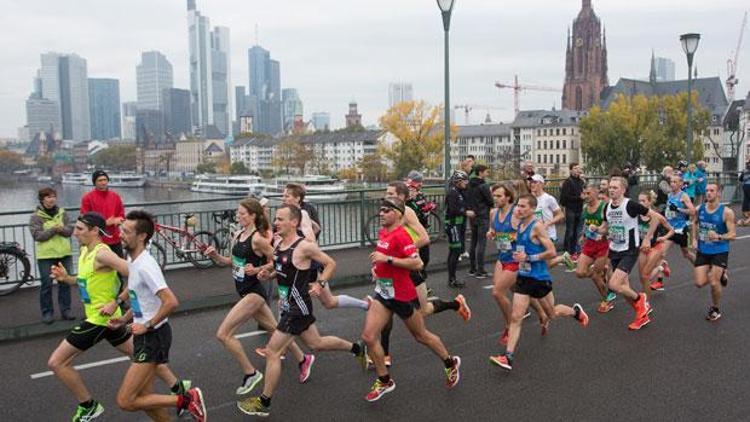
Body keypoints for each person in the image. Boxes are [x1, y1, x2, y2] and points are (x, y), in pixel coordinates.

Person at [47, 212, 194, 421]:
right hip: (122, 322)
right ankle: (179, 389)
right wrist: (68, 279)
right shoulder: (88, 253)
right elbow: (112, 282)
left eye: (80, 229)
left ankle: (89, 405)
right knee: (144, 390)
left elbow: (144, 281)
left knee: (57, 362)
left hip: (102, 320)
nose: (75, 232)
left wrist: (120, 305)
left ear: (94, 231)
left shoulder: (113, 256)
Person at [237, 205, 368, 417]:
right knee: (317, 343)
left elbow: (330, 263)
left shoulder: (305, 247)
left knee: (272, 352)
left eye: (280, 219)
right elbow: (280, 267)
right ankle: (357, 349)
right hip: (289, 304)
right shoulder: (278, 242)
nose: (276, 222)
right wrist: (266, 273)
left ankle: (264, 402)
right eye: (275, 219)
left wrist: (320, 283)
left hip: (297, 307)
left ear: (294, 222)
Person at [205, 198, 313, 395]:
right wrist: (214, 256)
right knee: (275, 328)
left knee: (223, 334)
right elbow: (231, 261)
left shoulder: (258, 239)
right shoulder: (238, 234)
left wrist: (258, 269)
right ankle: (303, 359)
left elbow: (279, 258)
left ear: (253, 215)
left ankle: (250, 373)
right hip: (244, 291)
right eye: (238, 213)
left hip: (254, 292)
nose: (238, 216)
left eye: (243, 213)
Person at [108, 210, 206, 422]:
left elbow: (171, 301)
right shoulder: (133, 259)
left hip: (153, 336)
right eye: (121, 229)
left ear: (142, 236)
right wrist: (124, 319)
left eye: (126, 231)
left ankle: (187, 398)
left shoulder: (146, 266)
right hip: (145, 335)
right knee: (145, 397)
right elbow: (139, 298)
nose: (120, 234)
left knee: (125, 400)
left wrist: (147, 325)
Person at [360, 198, 461, 402]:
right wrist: (377, 268)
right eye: (380, 210)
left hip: (402, 296)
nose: (381, 213)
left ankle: (450, 363)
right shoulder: (384, 232)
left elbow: (417, 263)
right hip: (384, 293)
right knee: (369, 337)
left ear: (398, 214)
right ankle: (385, 380)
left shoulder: (402, 235)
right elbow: (384, 257)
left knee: (421, 336)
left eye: (386, 210)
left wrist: (387, 260)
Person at [374, 182, 470, 368]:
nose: (387, 196)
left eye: (391, 193)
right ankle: (384, 354)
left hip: (410, 268)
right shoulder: (387, 215)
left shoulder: (407, 212)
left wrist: (402, 252)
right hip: (392, 272)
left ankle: (455, 304)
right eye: (386, 192)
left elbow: (424, 238)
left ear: (402, 196)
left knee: (422, 311)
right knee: (386, 309)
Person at [489, 194, 589, 371]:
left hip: (539, 278)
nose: (518, 209)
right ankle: (508, 356)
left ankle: (574, 312)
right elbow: (515, 244)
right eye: (518, 206)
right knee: (516, 317)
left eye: (523, 207)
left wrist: (529, 257)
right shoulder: (519, 226)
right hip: (523, 276)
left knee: (552, 313)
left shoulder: (537, 227)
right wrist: (499, 238)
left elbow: (550, 252)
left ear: (533, 209)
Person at [282, 183, 368, 311]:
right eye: (283, 195)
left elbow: (311, 239)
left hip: (308, 264)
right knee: (287, 299)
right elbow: (316, 228)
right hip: (292, 263)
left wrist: (302, 243)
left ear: (297, 198)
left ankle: (365, 305)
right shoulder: (285, 214)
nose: (283, 198)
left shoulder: (303, 213)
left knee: (329, 302)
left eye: (287, 196)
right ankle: (286, 327)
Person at [593, 177, 660, 331]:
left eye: (615, 187)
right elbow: (605, 227)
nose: (611, 190)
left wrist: (647, 239)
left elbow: (655, 218)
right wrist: (597, 230)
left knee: (614, 284)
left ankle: (641, 299)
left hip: (629, 251)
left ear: (623, 190)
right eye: (610, 187)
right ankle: (641, 315)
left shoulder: (630, 205)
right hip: (615, 250)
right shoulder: (606, 207)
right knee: (623, 289)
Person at [29, 187, 75, 324]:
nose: (52, 199)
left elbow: (69, 230)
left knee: (65, 283)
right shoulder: (36, 217)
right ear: (42, 200)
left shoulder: (62, 213)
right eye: (48, 197)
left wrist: (61, 229)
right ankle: (47, 312)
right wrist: (53, 230)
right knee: (46, 284)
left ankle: (66, 310)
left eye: (53, 196)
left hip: (64, 253)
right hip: (46, 256)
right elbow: (37, 236)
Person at [691, 183, 736, 321]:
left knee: (713, 281)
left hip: (720, 249)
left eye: (712, 190)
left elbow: (733, 234)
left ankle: (715, 309)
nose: (708, 193)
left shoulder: (726, 212)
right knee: (699, 283)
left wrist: (719, 236)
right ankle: (721, 273)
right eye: (707, 190)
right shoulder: (700, 209)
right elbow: (694, 222)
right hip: (703, 249)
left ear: (718, 193)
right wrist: (693, 239)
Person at [487, 183, 520, 345]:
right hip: (502, 257)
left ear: (508, 198)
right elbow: (493, 230)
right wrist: (491, 233)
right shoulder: (493, 213)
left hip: (515, 258)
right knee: (514, 289)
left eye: (499, 196)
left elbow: (528, 232)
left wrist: (512, 238)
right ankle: (541, 313)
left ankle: (510, 326)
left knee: (497, 292)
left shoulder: (515, 214)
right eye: (494, 195)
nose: (496, 199)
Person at [574, 185, 613, 313]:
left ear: (596, 193)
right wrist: (583, 235)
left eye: (588, 193)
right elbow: (586, 223)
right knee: (580, 273)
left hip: (603, 245)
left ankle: (605, 300)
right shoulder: (585, 208)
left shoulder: (604, 207)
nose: (585, 196)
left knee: (597, 275)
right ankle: (598, 274)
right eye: (584, 193)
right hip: (589, 244)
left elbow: (607, 225)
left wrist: (599, 229)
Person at [528, 174, 572, 270]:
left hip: (548, 234)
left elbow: (560, 215)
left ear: (542, 184)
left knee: (544, 265)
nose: (532, 184)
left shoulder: (548, 198)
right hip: (534, 234)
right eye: (531, 182)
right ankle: (562, 258)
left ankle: (561, 258)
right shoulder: (529, 199)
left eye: (535, 182)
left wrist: (548, 223)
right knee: (538, 264)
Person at [80, 170, 125, 258]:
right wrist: (106, 223)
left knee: (119, 269)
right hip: (97, 241)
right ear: (94, 183)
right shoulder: (87, 198)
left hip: (115, 239)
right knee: (100, 269)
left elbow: (121, 215)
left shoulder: (115, 196)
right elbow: (85, 220)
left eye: (105, 180)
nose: (103, 183)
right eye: (100, 180)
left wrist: (119, 220)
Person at [636, 191, 674, 296]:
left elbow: (671, 230)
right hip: (643, 248)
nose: (640, 203)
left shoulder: (657, 216)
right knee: (642, 278)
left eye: (643, 201)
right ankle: (661, 265)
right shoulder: (636, 215)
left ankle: (646, 303)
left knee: (645, 276)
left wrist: (664, 237)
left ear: (649, 202)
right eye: (639, 200)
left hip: (655, 247)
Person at [445, 170, 474, 287]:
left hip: (457, 224)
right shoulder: (453, 193)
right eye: (465, 181)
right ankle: (452, 279)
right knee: (455, 250)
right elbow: (453, 209)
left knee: (454, 251)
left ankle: (452, 278)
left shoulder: (459, 191)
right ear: (458, 181)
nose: (466, 183)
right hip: (453, 224)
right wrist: (466, 212)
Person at [466, 164, 494, 278]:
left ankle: (472, 268)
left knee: (473, 242)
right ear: (481, 172)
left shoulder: (469, 184)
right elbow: (490, 201)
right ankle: (480, 270)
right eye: (486, 172)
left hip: (473, 216)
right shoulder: (483, 185)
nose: (487, 174)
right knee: (482, 243)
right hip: (483, 215)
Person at [663, 174, 697, 265]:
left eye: (675, 182)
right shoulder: (669, 195)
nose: (672, 184)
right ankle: (659, 275)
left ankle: (699, 265)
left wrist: (678, 209)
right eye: (671, 182)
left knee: (686, 254)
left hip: (681, 229)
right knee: (662, 253)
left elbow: (693, 211)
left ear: (680, 184)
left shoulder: (683, 196)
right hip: (670, 229)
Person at [560, 163, 586, 259]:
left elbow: (583, 193)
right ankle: (567, 251)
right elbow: (564, 197)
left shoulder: (581, 182)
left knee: (578, 231)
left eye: (578, 168)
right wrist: (578, 198)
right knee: (570, 231)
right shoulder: (567, 182)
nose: (577, 170)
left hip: (579, 208)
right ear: (570, 170)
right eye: (575, 168)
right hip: (571, 208)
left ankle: (575, 250)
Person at [738, 161, 750, 226]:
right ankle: (747, 212)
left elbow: (740, 179)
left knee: (746, 198)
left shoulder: (745, 170)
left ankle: (745, 211)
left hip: (745, 186)